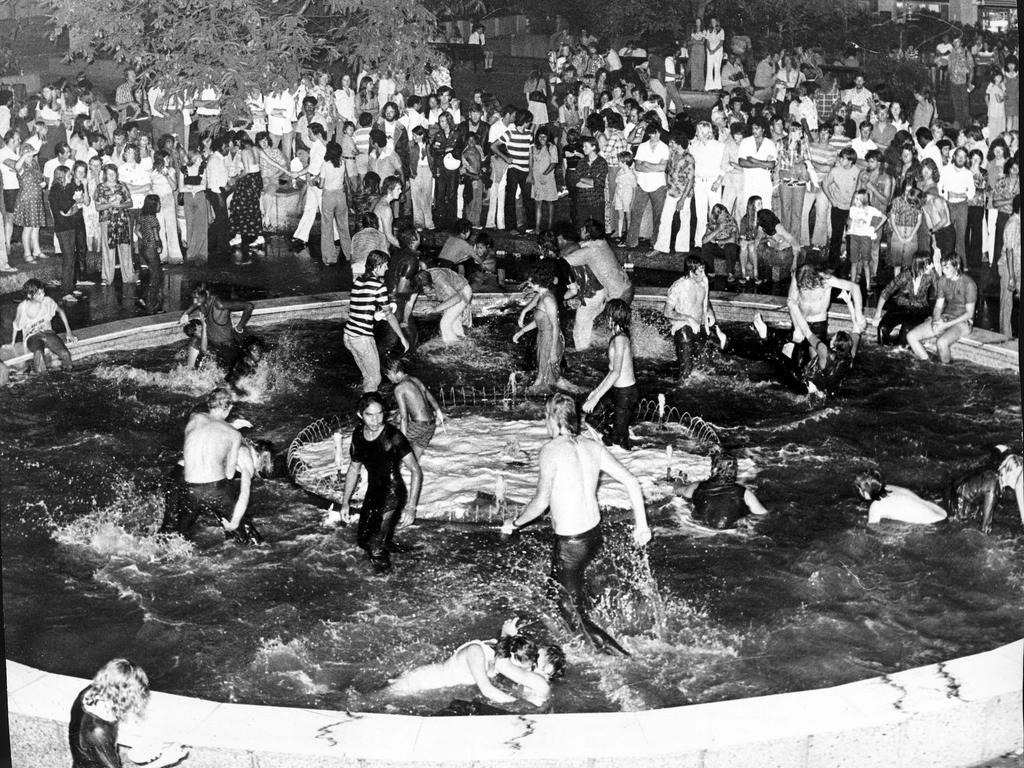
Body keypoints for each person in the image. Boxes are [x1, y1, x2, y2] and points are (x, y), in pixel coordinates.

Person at [502, 393, 650, 655]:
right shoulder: (592, 445)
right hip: (593, 537)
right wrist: (641, 525)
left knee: (574, 618)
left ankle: (625, 659)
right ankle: (584, 606)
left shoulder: (551, 450)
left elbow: (540, 502)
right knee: (556, 586)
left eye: (545, 417)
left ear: (554, 419)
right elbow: (631, 481)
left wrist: (514, 523)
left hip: (571, 545)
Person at [331, 392, 423, 572]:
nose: (375, 420)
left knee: (375, 547)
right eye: (369, 415)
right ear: (360, 415)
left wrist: (411, 507)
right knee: (364, 540)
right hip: (374, 492)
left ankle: (386, 587)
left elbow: (415, 470)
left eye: (379, 414)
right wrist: (345, 503)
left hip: (393, 493)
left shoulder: (393, 437)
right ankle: (403, 552)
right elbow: (353, 469)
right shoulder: (358, 434)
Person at [166, 388, 270, 544]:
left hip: (189, 489)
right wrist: (234, 521)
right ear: (228, 408)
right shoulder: (234, 435)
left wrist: (232, 425)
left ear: (209, 404)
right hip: (216, 490)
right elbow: (229, 475)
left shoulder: (194, 418)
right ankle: (258, 548)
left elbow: (210, 429)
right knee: (247, 533)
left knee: (177, 536)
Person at [387, 619, 563, 707]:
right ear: (511, 657)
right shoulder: (476, 652)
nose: (526, 671)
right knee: (373, 702)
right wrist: (521, 706)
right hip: (419, 683)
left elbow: (505, 653)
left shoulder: (503, 654)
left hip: (437, 691)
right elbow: (487, 690)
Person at [69, 659, 188, 768]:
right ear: (125, 696)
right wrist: (165, 760)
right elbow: (99, 736)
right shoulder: (98, 732)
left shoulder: (92, 692)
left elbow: (93, 736)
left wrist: (146, 743)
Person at [718, 312, 855, 398]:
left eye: (833, 338)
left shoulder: (825, 351)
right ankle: (766, 335)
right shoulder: (849, 359)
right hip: (810, 383)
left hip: (801, 384)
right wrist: (849, 303)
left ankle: (730, 345)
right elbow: (857, 332)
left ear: (835, 344)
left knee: (772, 354)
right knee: (787, 352)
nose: (830, 337)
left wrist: (795, 308)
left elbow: (807, 331)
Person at [561, 220, 633, 350]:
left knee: (616, 331)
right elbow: (580, 244)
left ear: (588, 233)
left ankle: (619, 353)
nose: (579, 230)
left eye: (582, 229)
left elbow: (562, 263)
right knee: (604, 324)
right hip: (625, 288)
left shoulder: (590, 251)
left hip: (619, 296)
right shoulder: (602, 243)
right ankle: (600, 345)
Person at [512, 261, 580, 394]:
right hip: (544, 338)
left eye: (531, 281)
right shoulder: (542, 296)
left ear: (538, 281)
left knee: (545, 380)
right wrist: (522, 331)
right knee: (549, 377)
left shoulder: (548, 299)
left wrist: (553, 351)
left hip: (550, 340)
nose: (529, 284)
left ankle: (576, 396)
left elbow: (555, 326)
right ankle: (574, 392)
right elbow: (541, 322)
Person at [345, 250, 408, 392]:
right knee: (375, 379)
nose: (386, 269)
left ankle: (363, 402)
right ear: (377, 266)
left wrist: (375, 315)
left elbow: (358, 308)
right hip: (361, 337)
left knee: (367, 376)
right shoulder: (379, 286)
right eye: (385, 265)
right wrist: (402, 338)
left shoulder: (358, 281)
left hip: (348, 335)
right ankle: (368, 408)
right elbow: (390, 316)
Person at [582, 299, 637, 450]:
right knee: (592, 418)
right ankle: (612, 437)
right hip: (616, 390)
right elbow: (611, 369)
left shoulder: (620, 340)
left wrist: (596, 397)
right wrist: (596, 391)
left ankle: (619, 441)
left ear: (612, 317)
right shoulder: (617, 336)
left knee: (620, 442)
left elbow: (616, 372)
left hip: (626, 394)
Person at [906, 252, 976, 363]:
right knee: (911, 336)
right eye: (943, 267)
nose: (944, 270)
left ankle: (945, 370)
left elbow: (969, 313)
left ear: (957, 266)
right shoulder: (942, 280)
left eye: (947, 267)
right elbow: (938, 306)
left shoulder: (969, 284)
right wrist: (935, 321)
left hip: (964, 322)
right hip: (947, 317)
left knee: (941, 343)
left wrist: (945, 325)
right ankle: (928, 364)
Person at [676, 452, 769, 529]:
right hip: (731, 534)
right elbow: (763, 515)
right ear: (735, 471)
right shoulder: (745, 494)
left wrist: (679, 480)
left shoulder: (696, 486)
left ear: (714, 469)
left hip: (698, 530)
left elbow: (677, 490)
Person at [178, 283, 254, 372]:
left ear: (206, 294)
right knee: (194, 340)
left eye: (196, 298)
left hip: (227, 347)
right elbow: (196, 303)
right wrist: (186, 313)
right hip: (214, 344)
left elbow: (249, 306)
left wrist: (239, 327)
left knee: (235, 376)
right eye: (193, 298)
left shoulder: (220, 304)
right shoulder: (201, 301)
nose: (195, 302)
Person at [663, 254, 716, 380]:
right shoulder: (678, 286)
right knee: (686, 374)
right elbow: (667, 312)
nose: (704, 275)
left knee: (707, 370)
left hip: (699, 326)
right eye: (701, 272)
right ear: (691, 273)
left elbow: (705, 300)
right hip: (683, 329)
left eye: (704, 271)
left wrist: (710, 312)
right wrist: (689, 319)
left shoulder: (704, 281)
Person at [11, 278, 76, 373]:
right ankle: (42, 381)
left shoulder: (47, 301)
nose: (43, 295)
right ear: (30, 295)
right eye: (39, 294)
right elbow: (16, 325)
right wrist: (12, 344)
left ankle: (69, 376)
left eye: (43, 292)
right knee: (38, 354)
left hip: (47, 333)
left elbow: (61, 311)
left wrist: (69, 332)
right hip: (32, 336)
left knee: (65, 354)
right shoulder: (23, 307)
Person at [385, 358, 445, 459]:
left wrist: (401, 440)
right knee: (413, 462)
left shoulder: (399, 388)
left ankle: (374, 473)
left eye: (388, 375)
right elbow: (431, 399)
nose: (389, 379)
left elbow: (404, 418)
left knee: (389, 448)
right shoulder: (415, 380)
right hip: (431, 425)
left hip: (418, 426)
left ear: (392, 372)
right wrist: (439, 413)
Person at [875, 254, 937, 347]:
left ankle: (900, 353)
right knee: (882, 328)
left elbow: (940, 294)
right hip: (902, 306)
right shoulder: (905, 275)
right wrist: (877, 314)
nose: (932, 266)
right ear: (920, 266)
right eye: (929, 264)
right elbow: (886, 292)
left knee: (906, 330)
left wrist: (935, 316)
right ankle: (884, 353)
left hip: (919, 308)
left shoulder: (931, 275)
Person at [854, 469, 947, 525]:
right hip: (939, 511)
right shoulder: (887, 487)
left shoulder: (876, 506)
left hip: (930, 523)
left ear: (865, 492)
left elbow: (872, 528)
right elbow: (906, 491)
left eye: (859, 489)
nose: (858, 492)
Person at [417, 266, 473, 345]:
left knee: (445, 324)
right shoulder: (419, 278)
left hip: (461, 292)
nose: (425, 292)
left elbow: (457, 298)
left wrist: (435, 309)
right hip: (451, 294)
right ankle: (464, 346)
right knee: (454, 326)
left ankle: (454, 349)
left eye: (425, 288)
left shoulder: (439, 278)